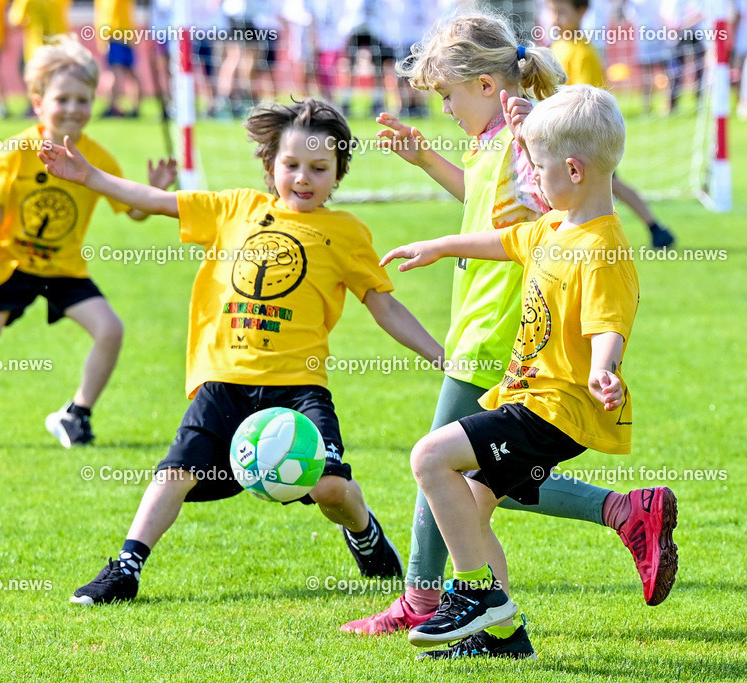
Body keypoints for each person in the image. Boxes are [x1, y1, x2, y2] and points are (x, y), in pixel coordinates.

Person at [341, 10, 676, 646]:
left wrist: (604, 366)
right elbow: (496, 214)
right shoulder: (505, 152)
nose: (444, 108)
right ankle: (507, 619)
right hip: (490, 331)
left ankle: (426, 597)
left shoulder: (536, 155)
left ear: (487, 85)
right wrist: (431, 180)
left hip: (505, 339)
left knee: (438, 461)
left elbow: (567, 248)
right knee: (478, 488)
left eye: (448, 95)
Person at [36, 97, 445, 605]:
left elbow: (385, 307)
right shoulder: (235, 209)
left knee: (328, 489)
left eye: (319, 168)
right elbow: (157, 200)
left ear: (339, 172)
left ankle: (364, 532)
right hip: (223, 380)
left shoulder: (347, 233)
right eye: (291, 165)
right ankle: (125, 568)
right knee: (174, 473)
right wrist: (90, 176)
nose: (303, 178)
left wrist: (440, 354)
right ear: (270, 163)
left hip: (299, 387)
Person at [0, 36, 172, 451]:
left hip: (63, 269)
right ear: (38, 102)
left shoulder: (97, 159)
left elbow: (131, 211)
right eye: (62, 99)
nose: (73, 109)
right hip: (12, 264)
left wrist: (153, 194)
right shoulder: (16, 153)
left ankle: (76, 414)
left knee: (110, 330)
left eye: (83, 100)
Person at [547, 0, 676, 250]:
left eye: (562, 12)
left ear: (581, 12)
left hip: (583, 136)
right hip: (560, 136)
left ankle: (651, 227)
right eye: (553, 12)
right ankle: (652, 228)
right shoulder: (557, 46)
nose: (555, 19)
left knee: (608, 184)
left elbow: (584, 100)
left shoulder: (583, 52)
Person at [94, 0, 141, 117]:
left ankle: (114, 106)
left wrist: (104, 37)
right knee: (128, 72)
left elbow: (108, 14)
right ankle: (133, 107)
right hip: (124, 33)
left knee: (116, 72)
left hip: (115, 34)